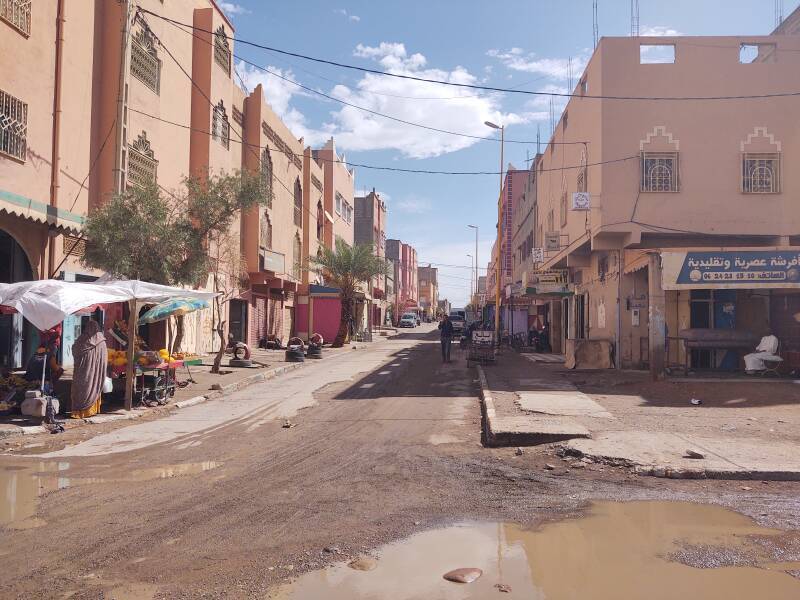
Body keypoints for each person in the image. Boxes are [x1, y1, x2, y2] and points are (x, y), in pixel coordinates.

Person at [70, 320, 107, 418]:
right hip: (96, 373)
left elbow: (75, 349)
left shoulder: (83, 339)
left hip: (82, 371)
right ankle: (91, 410)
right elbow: (104, 360)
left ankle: (80, 411)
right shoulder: (102, 341)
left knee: (82, 387)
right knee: (93, 385)